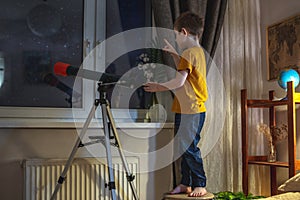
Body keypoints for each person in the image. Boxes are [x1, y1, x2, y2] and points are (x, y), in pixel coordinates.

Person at [143, 11, 208, 197]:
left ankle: (200, 183)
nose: (177, 39)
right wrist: (173, 55)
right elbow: (189, 75)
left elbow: (179, 82)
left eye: (176, 35)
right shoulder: (197, 52)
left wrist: (158, 86)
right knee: (183, 147)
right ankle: (185, 183)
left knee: (189, 147)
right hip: (188, 109)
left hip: (191, 110)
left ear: (184, 32)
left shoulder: (188, 53)